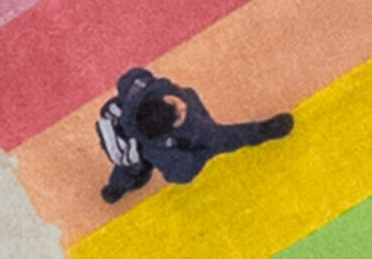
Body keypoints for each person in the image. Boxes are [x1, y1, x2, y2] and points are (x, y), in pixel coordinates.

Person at [97, 67, 295, 203]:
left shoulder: (138, 94)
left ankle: (116, 189)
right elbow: (182, 175)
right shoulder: (193, 132)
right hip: (166, 145)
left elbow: (129, 78)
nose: (183, 105)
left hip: (134, 144)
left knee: (128, 169)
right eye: (180, 115)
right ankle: (264, 131)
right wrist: (203, 152)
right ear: (170, 130)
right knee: (225, 139)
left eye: (174, 104)